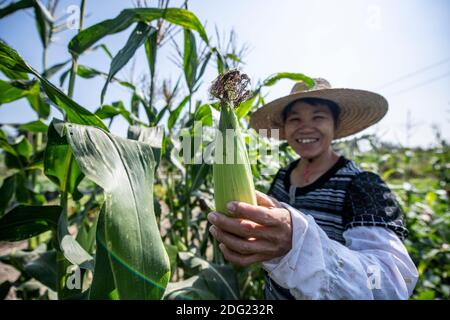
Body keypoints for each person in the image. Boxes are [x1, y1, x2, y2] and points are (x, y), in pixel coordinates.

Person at [207, 78, 418, 299]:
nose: (305, 127)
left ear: (335, 126)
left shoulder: (363, 185)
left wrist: (297, 246)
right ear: (285, 129)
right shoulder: (281, 177)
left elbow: (391, 283)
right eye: (295, 119)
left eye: (318, 117)